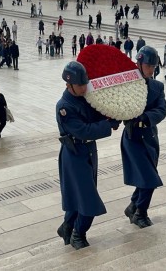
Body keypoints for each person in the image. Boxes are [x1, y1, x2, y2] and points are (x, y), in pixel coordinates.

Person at [56, 61, 120, 249]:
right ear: (69, 85)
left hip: (88, 152)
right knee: (88, 199)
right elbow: (83, 130)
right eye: (80, 85)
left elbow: (97, 116)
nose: (85, 88)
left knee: (79, 196)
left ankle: (67, 227)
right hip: (74, 154)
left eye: (85, 84)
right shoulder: (64, 106)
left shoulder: (85, 98)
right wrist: (107, 126)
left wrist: (112, 116)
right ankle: (78, 233)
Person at [121, 47, 166, 228]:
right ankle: (140, 212)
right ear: (139, 64)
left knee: (146, 175)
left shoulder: (157, 87)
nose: (151, 70)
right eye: (148, 65)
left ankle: (133, 205)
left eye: (154, 66)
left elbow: (161, 110)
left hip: (150, 137)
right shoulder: (127, 85)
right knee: (149, 177)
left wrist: (146, 117)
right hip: (133, 138)